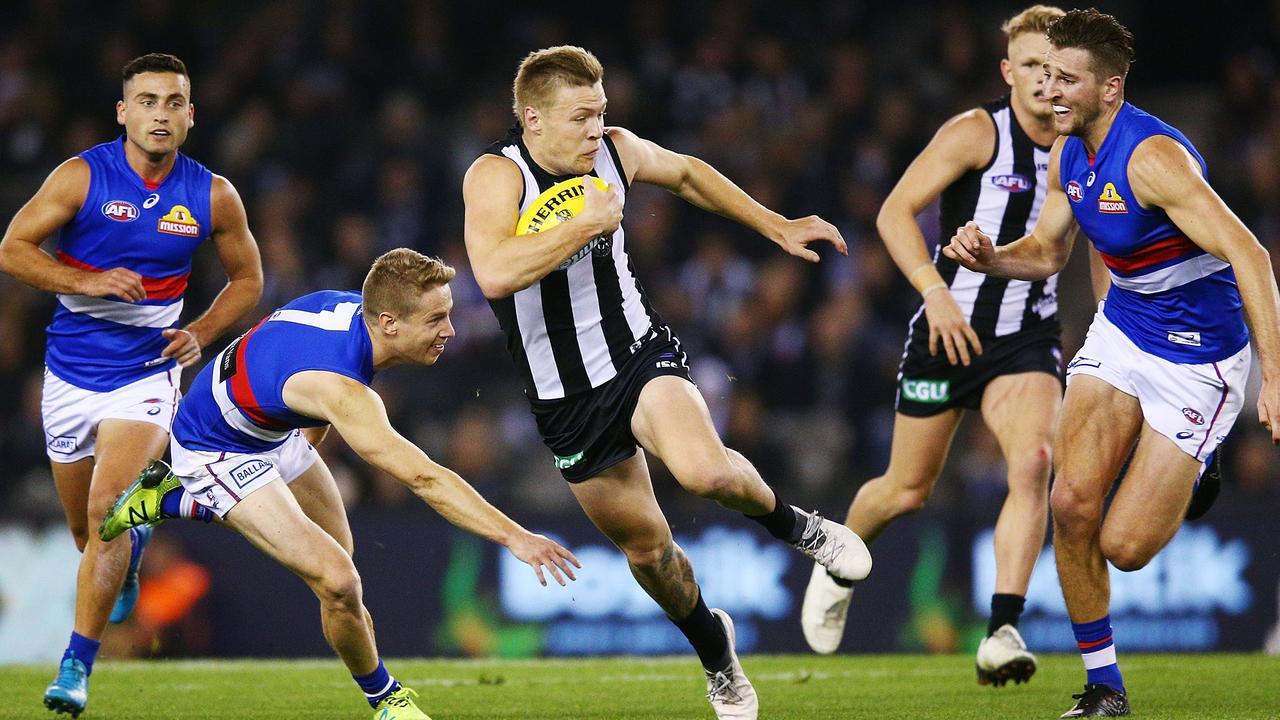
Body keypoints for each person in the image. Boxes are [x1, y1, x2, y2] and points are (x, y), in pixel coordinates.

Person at [461, 45, 872, 720]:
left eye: (600, 114)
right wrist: (583, 224)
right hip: (566, 400)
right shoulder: (495, 177)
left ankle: (800, 528)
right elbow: (495, 274)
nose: (594, 130)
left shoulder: (616, 152)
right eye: (579, 118)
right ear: (532, 119)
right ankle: (717, 654)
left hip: (637, 354)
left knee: (704, 472)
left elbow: (684, 174)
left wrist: (772, 222)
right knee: (650, 553)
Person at [943, 8, 1280, 717]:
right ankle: (1105, 690)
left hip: (1200, 359)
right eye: (1045, 75)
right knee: (1069, 504)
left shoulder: (1154, 158)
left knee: (1125, 547)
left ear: (1111, 90)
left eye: (1068, 79)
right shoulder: (1069, 153)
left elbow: (1250, 254)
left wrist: (1274, 378)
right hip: (1124, 332)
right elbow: (1048, 251)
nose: (1051, 91)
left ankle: (1195, 462)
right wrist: (993, 258)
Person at [100, 249, 581, 720]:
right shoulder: (342, 387)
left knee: (341, 559)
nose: (449, 331)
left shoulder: (353, 307)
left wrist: (297, 446)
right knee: (337, 582)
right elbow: (423, 476)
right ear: (389, 322)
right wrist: (514, 536)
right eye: (435, 320)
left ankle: (172, 500)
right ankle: (387, 700)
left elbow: (286, 363)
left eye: (448, 315)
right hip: (213, 449)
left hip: (269, 429)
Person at [802, 5, 1065, 687]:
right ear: (1008, 71)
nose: (1045, 79)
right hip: (946, 332)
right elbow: (893, 210)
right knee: (905, 490)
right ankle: (836, 567)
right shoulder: (977, 132)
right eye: (1031, 65)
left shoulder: (1087, 142)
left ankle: (1002, 629)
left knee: (1034, 461)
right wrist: (934, 291)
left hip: (1025, 337)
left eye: (1056, 66)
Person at [0, 53, 264, 717]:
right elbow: (12, 249)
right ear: (124, 112)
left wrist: (201, 332)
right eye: (147, 101)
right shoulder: (82, 176)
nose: (161, 114)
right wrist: (84, 280)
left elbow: (249, 280)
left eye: (174, 103)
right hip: (68, 376)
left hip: (145, 378)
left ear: (191, 115)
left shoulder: (212, 194)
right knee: (90, 538)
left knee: (106, 504)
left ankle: (75, 669)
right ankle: (134, 545)